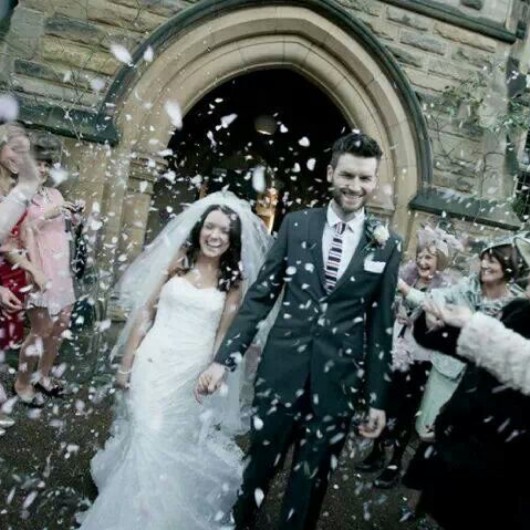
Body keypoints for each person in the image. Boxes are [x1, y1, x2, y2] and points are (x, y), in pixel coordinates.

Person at [197, 131, 402, 530]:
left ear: (374, 181)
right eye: (347, 175)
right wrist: (224, 360)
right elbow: (259, 298)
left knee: (310, 486)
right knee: (257, 472)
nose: (355, 186)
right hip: (281, 374)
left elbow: (382, 329)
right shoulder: (296, 225)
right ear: (330, 173)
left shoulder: (387, 244)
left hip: (337, 385)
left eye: (364, 178)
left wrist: (377, 399)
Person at [77, 192, 271, 530]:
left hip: (190, 371)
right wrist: (126, 364)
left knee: (168, 438)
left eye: (224, 231)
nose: (215, 236)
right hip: (153, 361)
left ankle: (155, 511)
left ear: (233, 240)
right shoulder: (179, 260)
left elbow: (222, 336)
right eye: (210, 227)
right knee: (146, 432)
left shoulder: (233, 282)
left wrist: (214, 372)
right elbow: (145, 314)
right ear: (199, 229)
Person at [402, 234, 530, 529]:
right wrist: (433, 320)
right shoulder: (519, 311)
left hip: (503, 472)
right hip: (465, 453)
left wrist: (472, 325)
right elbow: (474, 366)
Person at [355, 225, 460, 489]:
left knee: (405, 411)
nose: (423, 262)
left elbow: (434, 312)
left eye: (429, 258)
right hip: (393, 350)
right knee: (383, 403)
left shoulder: (445, 290)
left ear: (440, 263)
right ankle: (377, 452)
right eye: (420, 256)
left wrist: (411, 304)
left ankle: (394, 463)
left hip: (419, 359)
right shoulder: (407, 277)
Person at [13, 141, 79, 405]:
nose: (42, 169)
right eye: (37, 164)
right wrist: (47, 215)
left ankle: (43, 376)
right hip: (38, 266)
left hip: (60, 267)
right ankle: (21, 382)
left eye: (46, 165)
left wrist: (75, 215)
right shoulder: (18, 196)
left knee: (61, 325)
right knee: (41, 328)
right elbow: (21, 232)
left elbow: (65, 227)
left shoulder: (55, 194)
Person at [0, 122, 40, 244]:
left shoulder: (18, 186)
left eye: (24, 153)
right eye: (15, 149)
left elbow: (23, 234)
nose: (20, 158)